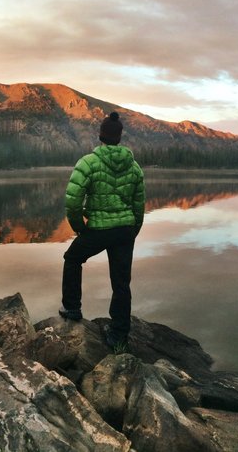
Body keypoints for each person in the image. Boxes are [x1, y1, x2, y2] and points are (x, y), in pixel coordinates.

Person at [58, 111, 145, 348]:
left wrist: (80, 229)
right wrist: (131, 232)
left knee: (73, 258)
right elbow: (139, 207)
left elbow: (73, 202)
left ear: (101, 136)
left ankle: (73, 308)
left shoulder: (88, 163)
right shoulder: (135, 167)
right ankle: (118, 335)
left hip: (98, 229)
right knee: (121, 282)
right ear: (119, 138)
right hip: (125, 230)